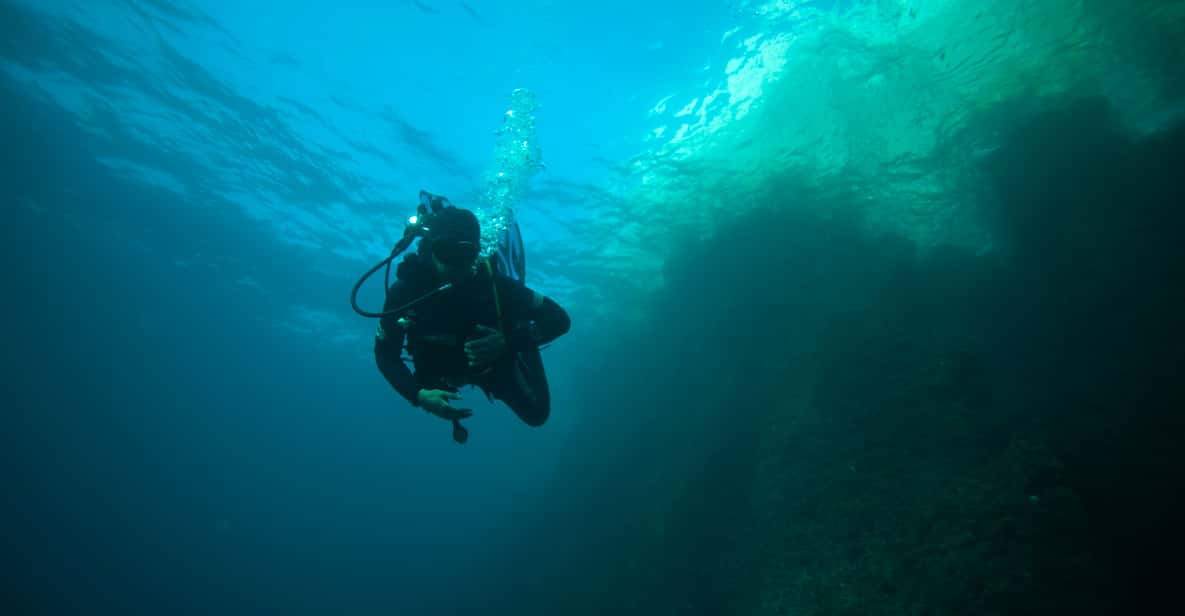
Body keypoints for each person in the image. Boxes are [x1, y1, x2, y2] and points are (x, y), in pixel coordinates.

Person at [372, 204, 570, 443]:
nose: (453, 265)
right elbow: (385, 353)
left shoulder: (496, 286)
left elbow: (559, 319)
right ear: (429, 249)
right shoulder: (405, 292)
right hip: (440, 372)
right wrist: (419, 395)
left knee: (537, 415)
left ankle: (516, 326)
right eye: (445, 251)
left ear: (476, 253)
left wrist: (510, 341)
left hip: (495, 363)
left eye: (464, 254)